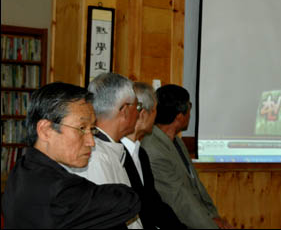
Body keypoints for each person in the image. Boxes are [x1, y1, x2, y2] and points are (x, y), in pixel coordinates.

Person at [1, 82, 141, 229]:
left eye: (92, 129)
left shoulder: (23, 168)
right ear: (46, 130)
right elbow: (128, 201)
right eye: (81, 128)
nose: (91, 142)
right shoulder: (57, 191)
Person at [142, 84, 231, 229]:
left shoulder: (176, 141)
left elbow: (196, 187)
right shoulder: (154, 149)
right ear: (179, 116)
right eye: (189, 106)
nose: (190, 111)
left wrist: (214, 217)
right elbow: (180, 201)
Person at [68, 73, 144, 229]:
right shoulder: (94, 156)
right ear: (124, 110)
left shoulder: (109, 148)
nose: (138, 113)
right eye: (137, 107)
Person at [121, 82, 187, 228]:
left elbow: (153, 202)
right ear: (144, 114)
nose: (157, 116)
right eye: (156, 110)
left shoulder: (141, 153)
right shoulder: (118, 153)